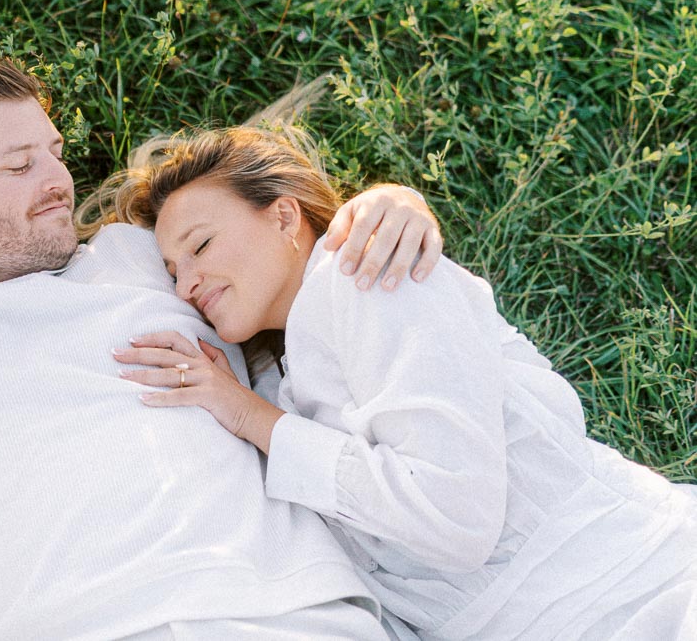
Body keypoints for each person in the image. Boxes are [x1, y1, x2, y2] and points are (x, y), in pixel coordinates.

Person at [0, 59, 444, 640]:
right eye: (19, 164)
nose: (58, 179)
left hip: (287, 609)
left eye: (55, 152)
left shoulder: (147, 255)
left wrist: (390, 202)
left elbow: (290, 250)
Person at [103, 124, 697, 640]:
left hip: (636, 591)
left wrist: (250, 418)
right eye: (174, 274)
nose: (186, 287)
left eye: (200, 246)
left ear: (284, 215)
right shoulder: (277, 369)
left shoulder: (367, 275)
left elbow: (455, 517)